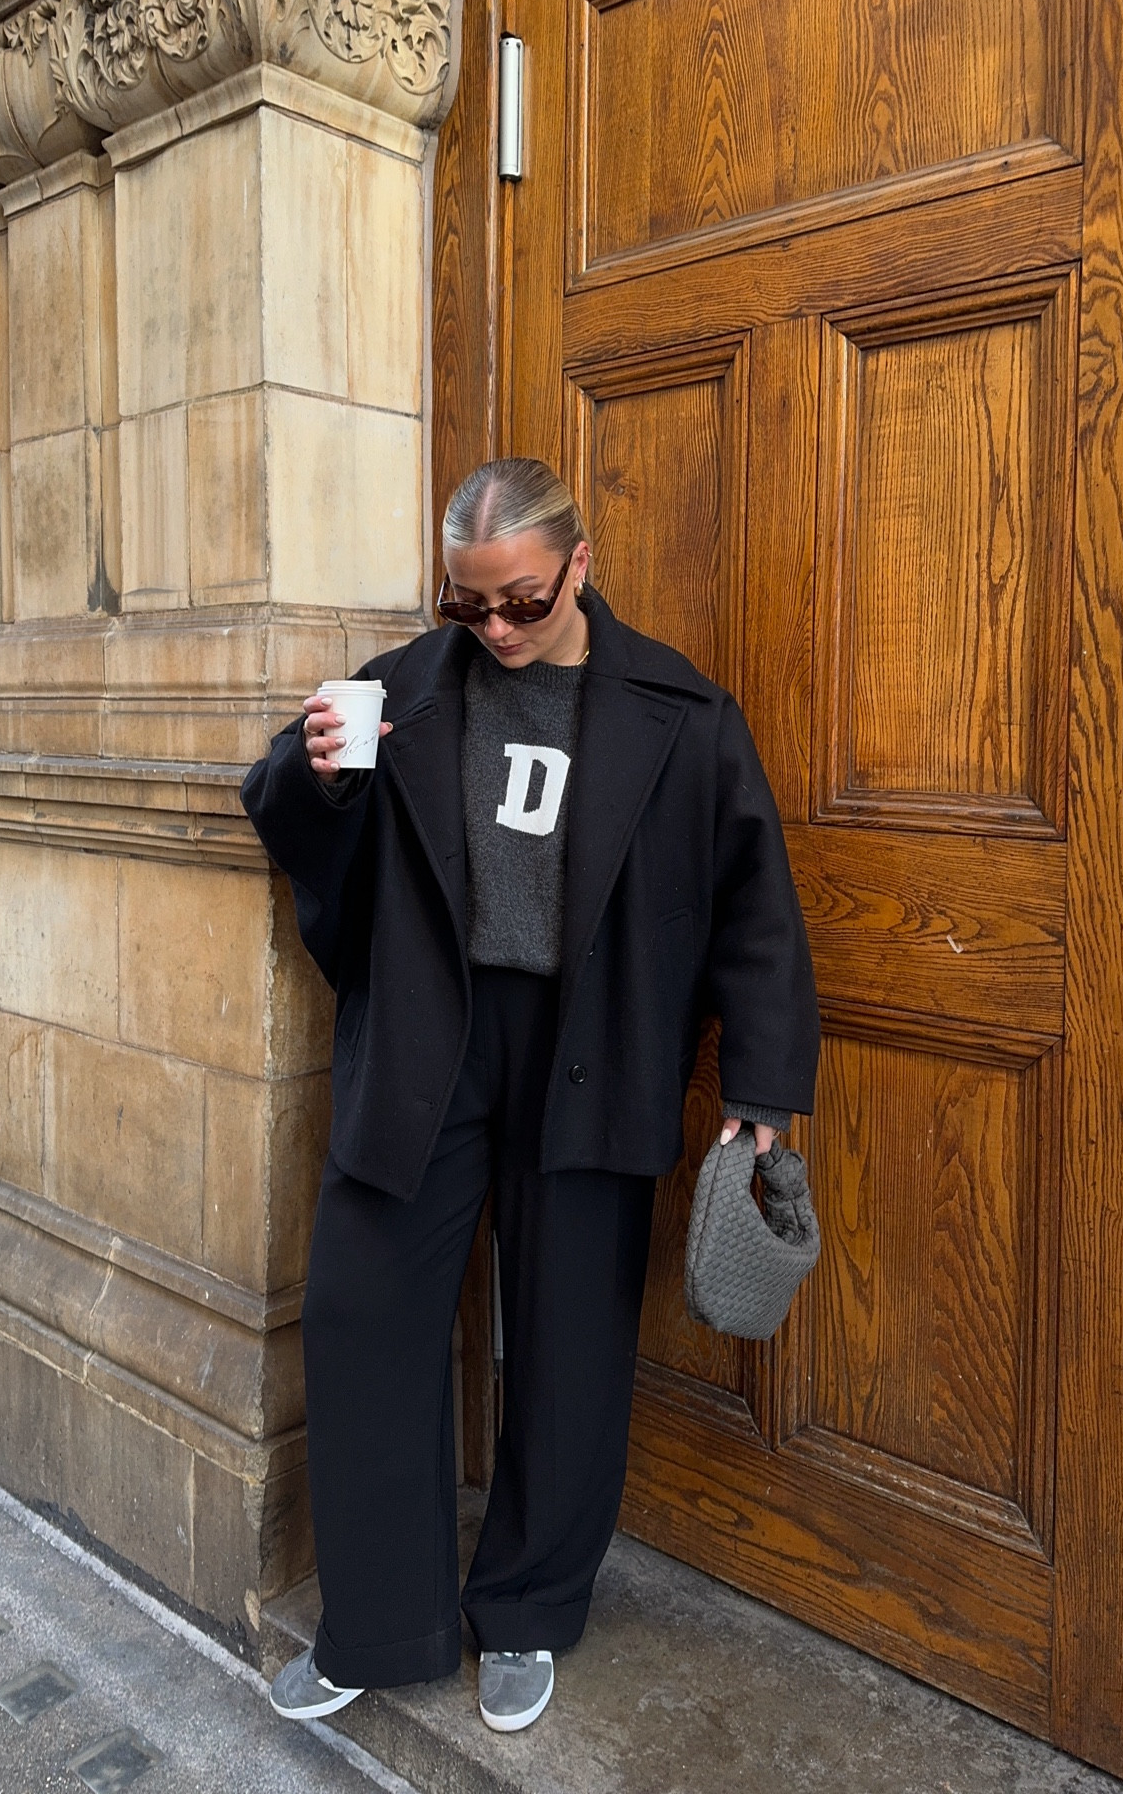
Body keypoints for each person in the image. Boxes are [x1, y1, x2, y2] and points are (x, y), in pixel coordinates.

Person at [242, 457, 818, 1734]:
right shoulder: (402, 686)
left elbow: (755, 904)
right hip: (430, 1042)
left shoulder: (680, 707)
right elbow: (277, 801)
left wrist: (765, 1084)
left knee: (569, 1341)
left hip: (595, 1043)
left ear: (580, 565)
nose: (496, 628)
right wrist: (320, 772)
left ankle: (527, 1609)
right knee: (362, 1307)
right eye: (469, 606)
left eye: (521, 601)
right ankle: (377, 1619)